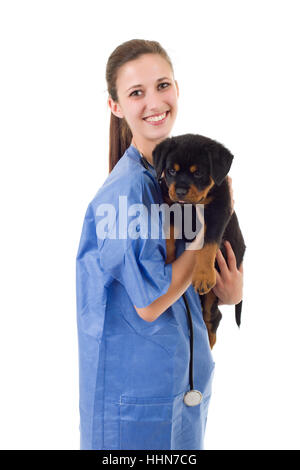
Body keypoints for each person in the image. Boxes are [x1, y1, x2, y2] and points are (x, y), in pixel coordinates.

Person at [76, 39, 243, 450]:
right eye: (137, 93)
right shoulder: (126, 193)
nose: (154, 101)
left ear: (177, 89)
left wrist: (230, 292)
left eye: (162, 85)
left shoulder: (165, 177)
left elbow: (181, 280)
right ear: (116, 106)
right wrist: (212, 221)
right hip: (134, 405)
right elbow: (150, 303)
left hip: (179, 388)